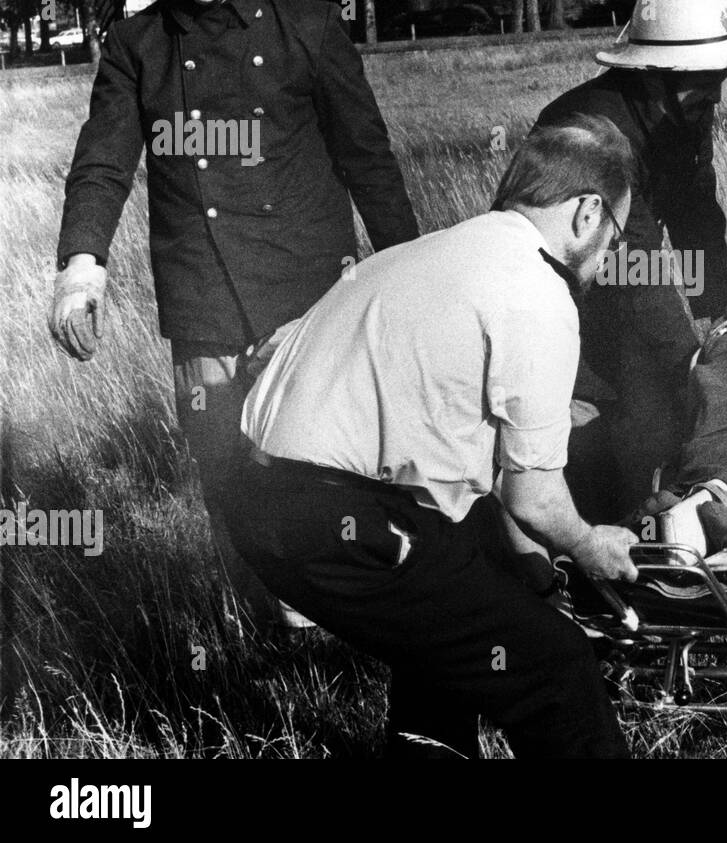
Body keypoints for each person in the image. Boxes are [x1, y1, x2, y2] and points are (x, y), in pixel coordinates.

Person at [47, 0, 419, 632]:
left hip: (308, 288)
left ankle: (353, 616)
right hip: (204, 298)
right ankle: (260, 635)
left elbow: (368, 160)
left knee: (322, 465)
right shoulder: (137, 45)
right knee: (227, 471)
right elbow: (104, 165)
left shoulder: (309, 30)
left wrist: (408, 265)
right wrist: (82, 266)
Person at [233, 123, 640, 759]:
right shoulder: (537, 296)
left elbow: (494, 489)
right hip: (335, 519)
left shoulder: (428, 252)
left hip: (258, 496)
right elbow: (534, 498)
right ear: (589, 212)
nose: (610, 254)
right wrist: (590, 546)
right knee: (555, 668)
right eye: (617, 235)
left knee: (452, 633)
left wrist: (530, 584)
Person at [532, 0, 727, 517]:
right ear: (653, 73)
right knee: (621, 417)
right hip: (560, 301)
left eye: (719, 77)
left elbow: (696, 214)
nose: (715, 93)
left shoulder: (681, 107)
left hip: (617, 288)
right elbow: (623, 264)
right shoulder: (589, 131)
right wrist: (684, 355)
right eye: (701, 79)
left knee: (654, 401)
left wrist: (716, 307)